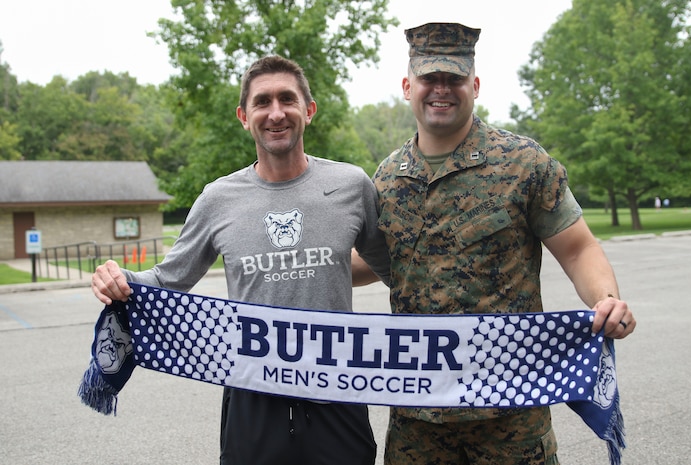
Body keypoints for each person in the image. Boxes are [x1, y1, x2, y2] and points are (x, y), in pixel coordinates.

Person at [91, 55, 389, 465]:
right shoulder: (218, 199)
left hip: (336, 390)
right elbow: (169, 277)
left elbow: (393, 267)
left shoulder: (352, 186)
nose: (276, 113)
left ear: (309, 110)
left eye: (288, 99)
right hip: (252, 392)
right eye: (262, 102)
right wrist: (118, 278)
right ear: (243, 117)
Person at [369, 22, 637, 465]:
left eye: (453, 79)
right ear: (406, 86)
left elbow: (577, 248)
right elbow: (378, 258)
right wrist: (303, 265)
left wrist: (606, 301)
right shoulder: (387, 175)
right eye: (429, 79)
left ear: (474, 86)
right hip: (418, 418)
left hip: (510, 412)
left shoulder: (523, 163)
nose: (441, 89)